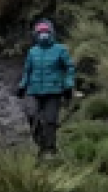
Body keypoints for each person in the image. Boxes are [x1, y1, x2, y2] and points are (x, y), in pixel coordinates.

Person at [16, 20, 76, 159]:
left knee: (50, 120)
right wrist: (22, 86)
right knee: (32, 116)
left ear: (51, 33)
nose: (43, 35)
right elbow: (27, 71)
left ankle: (49, 150)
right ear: (36, 34)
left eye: (46, 32)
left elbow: (69, 68)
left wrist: (68, 84)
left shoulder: (60, 49)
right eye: (40, 32)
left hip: (53, 91)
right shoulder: (32, 51)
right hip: (34, 90)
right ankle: (41, 143)